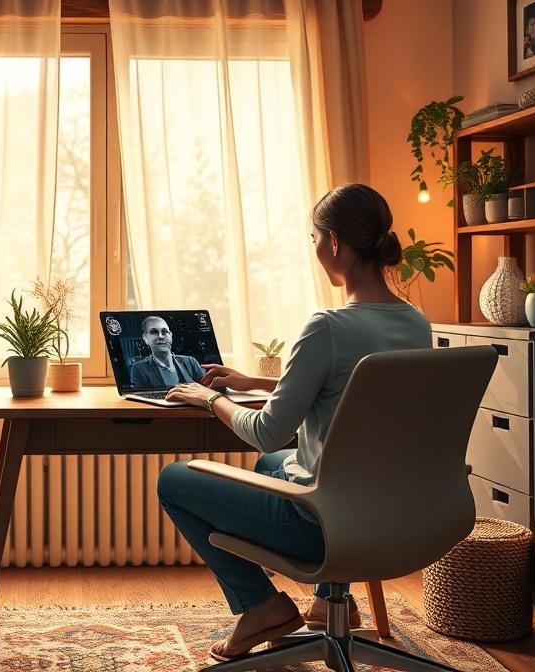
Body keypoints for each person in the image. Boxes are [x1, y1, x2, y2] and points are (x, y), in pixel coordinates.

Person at [157, 183, 432, 662]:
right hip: (400, 518)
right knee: (275, 465)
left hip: (324, 526)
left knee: (174, 481)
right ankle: (328, 601)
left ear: (334, 243)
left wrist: (209, 398)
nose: (316, 248)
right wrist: (258, 383)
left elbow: (268, 431)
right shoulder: (415, 322)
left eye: (314, 238)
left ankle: (261, 606)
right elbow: (354, 387)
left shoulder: (328, 326)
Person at [128, 315, 205, 388]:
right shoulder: (139, 369)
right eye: (154, 332)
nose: (160, 336)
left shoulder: (191, 362)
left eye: (164, 331)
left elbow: (206, 389)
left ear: (170, 335)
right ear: (145, 338)